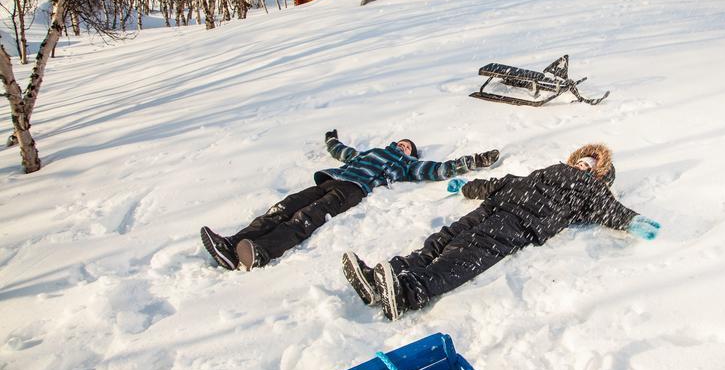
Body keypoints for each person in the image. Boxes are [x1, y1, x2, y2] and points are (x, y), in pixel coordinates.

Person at [342, 143, 660, 320]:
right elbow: (507, 182)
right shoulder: (549, 170)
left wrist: (631, 220)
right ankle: (382, 279)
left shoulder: (592, 190)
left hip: (521, 221)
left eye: (590, 167)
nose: (582, 167)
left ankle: (409, 292)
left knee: (469, 252)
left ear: (599, 175)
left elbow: (608, 209)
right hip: (496, 205)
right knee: (442, 239)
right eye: (581, 162)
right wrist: (467, 187)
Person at [201, 131, 500, 271]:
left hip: (352, 190)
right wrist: (331, 139)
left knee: (305, 218)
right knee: (283, 208)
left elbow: (439, 170)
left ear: (411, 154)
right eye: (401, 142)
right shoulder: (368, 153)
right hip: (332, 178)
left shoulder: (406, 166)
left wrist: (473, 161)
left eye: (408, 147)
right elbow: (341, 152)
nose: (403, 146)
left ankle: (261, 251)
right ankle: (231, 243)